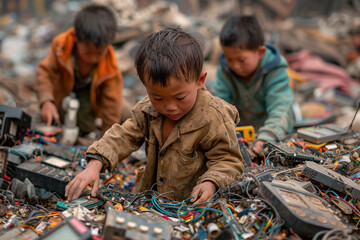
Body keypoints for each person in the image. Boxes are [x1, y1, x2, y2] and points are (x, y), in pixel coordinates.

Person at [65, 27, 244, 203]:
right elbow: (122, 136)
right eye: (158, 97)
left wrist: (211, 182)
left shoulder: (214, 117)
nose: (170, 107)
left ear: (200, 80)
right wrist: (94, 166)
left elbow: (228, 160)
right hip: (150, 201)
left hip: (190, 208)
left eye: (180, 97)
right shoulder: (148, 110)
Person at [33, 4, 128, 137]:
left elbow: (111, 109)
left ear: (112, 39)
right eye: (88, 53)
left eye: (99, 53)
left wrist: (105, 144)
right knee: (53, 120)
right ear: (75, 36)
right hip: (61, 92)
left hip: (90, 98)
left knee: (89, 127)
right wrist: (46, 101)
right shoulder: (61, 46)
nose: (93, 59)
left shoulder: (110, 68)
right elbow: (45, 73)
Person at [212, 15, 294, 154]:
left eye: (241, 60)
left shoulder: (276, 71)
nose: (235, 66)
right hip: (241, 139)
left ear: (260, 52)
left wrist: (267, 138)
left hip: (275, 136)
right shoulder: (224, 71)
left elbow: (281, 109)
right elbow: (218, 108)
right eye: (229, 59)